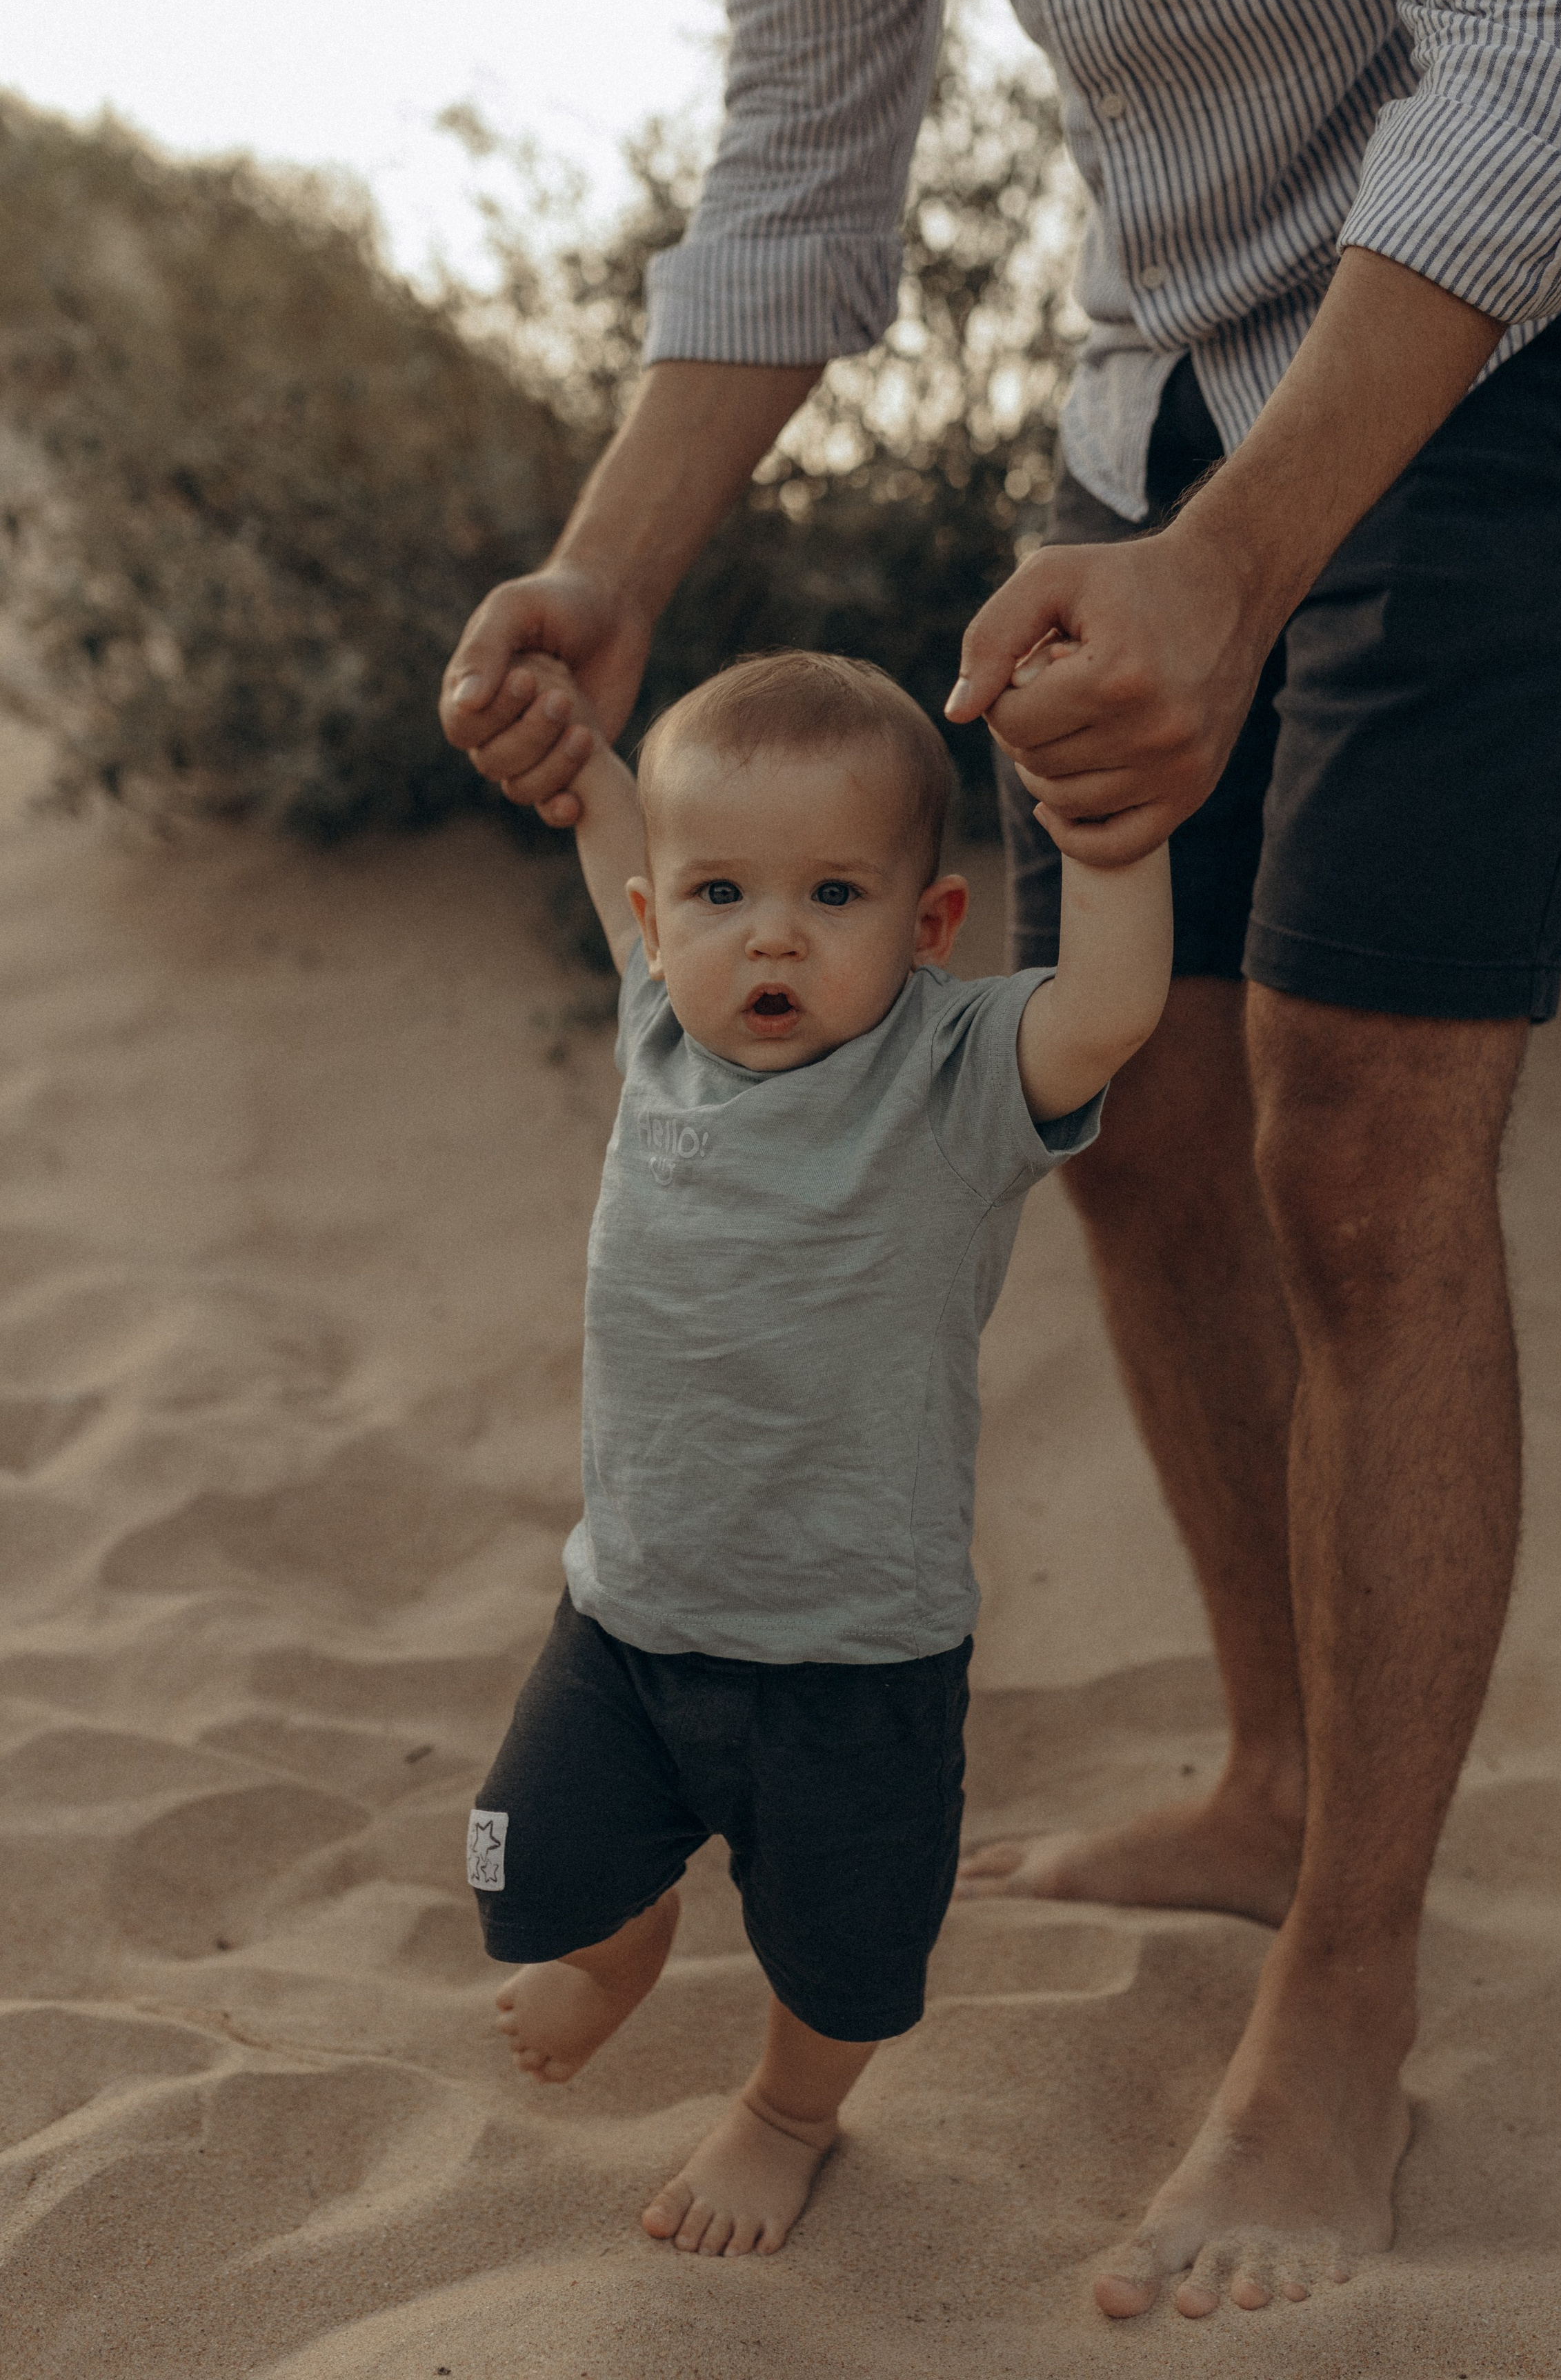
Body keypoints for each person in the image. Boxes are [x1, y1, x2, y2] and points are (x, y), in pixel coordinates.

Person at [439, 0, 1561, 2322]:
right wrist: (610, 571)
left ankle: (1349, 1986)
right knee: (1134, 1121)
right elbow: (814, 136)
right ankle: (1279, 1781)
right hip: (1153, 360)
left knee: (1358, 1146)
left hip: (1543, 312)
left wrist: (1241, 564)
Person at [469, 648, 1171, 2258]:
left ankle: (786, 2112)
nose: (768, 932)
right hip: (629, 1619)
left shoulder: (947, 1077)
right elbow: (615, 836)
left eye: (833, 893)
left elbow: (1112, 1010)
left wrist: (1110, 838)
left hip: (852, 1650)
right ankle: (627, 1940)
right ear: (655, 926)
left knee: (846, 1957)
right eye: (719, 892)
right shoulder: (660, 1023)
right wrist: (577, 750)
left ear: (927, 930)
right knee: (532, 1866)